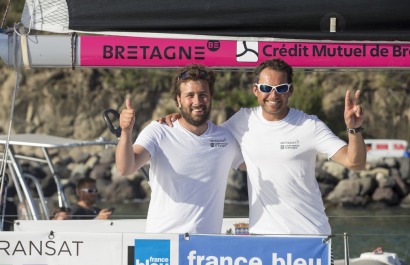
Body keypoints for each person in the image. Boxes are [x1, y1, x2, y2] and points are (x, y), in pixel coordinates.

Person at [161, 58, 367, 235]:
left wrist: (354, 129)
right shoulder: (242, 120)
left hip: (311, 235)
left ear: (290, 90)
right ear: (256, 90)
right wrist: (182, 118)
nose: (273, 95)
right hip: (262, 238)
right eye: (267, 88)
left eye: (281, 88)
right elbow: (206, 136)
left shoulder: (310, 125)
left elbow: (355, 162)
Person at [115, 64, 244, 234]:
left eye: (203, 95)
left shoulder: (226, 139)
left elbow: (261, 165)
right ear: (178, 100)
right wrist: (126, 132)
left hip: (207, 247)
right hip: (160, 245)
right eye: (190, 95)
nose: (197, 102)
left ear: (211, 97)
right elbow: (125, 168)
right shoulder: (159, 131)